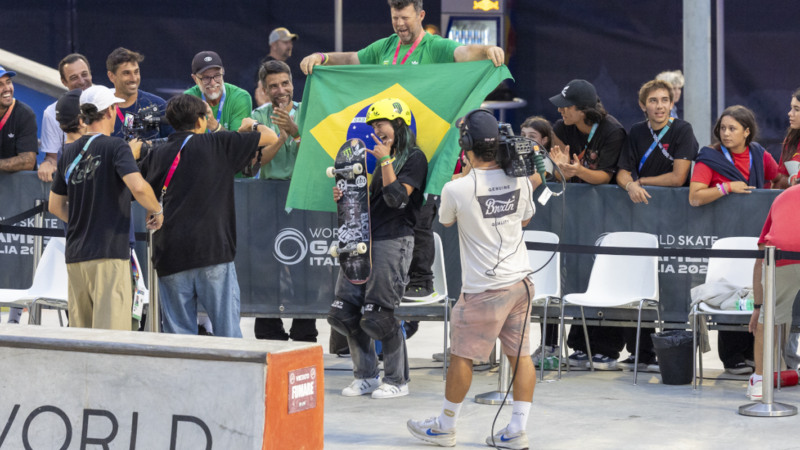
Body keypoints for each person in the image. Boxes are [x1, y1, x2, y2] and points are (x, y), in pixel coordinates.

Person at [407, 110, 535, 449]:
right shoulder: (520, 179)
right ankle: (517, 431)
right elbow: (524, 220)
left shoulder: (456, 188)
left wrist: (468, 175)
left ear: (466, 146)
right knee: (521, 357)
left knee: (461, 357)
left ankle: (445, 427)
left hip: (483, 290)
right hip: (520, 282)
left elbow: (446, 222)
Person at [138, 94, 278, 338]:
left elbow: (142, 193)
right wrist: (251, 125)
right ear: (201, 121)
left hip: (170, 253)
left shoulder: (156, 155)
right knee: (228, 334)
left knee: (179, 336)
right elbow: (271, 137)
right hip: (213, 250)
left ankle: (184, 378)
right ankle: (229, 377)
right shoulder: (218, 143)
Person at [327, 98, 427, 399]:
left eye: (380, 124)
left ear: (399, 124)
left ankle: (397, 380)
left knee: (379, 314)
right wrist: (344, 197)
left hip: (394, 241)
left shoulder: (414, 158)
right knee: (344, 311)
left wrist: (384, 162)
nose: (376, 130)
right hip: (365, 239)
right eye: (372, 126)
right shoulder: (383, 160)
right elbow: (374, 205)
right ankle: (366, 376)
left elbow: (397, 199)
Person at [48, 85, 162, 330]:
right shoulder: (117, 147)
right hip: (109, 254)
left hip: (76, 256)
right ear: (110, 111)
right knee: (112, 340)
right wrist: (158, 210)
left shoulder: (67, 153)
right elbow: (139, 188)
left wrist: (84, 218)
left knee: (82, 338)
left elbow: (55, 206)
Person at [611, 79, 700, 371]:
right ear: (642, 105)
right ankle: (641, 352)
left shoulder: (682, 130)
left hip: (676, 219)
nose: (659, 106)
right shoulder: (636, 131)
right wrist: (629, 187)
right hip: (641, 216)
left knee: (672, 280)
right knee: (638, 279)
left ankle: (675, 350)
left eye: (664, 100)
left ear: (672, 103)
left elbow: (677, 177)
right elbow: (623, 171)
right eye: (653, 101)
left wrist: (642, 182)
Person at [689, 105, 779, 375]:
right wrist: (726, 187)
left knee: (755, 292)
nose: (725, 134)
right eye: (722, 129)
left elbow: (778, 180)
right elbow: (695, 196)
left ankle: (754, 354)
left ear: (747, 132)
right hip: (724, 235)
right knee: (731, 290)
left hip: (756, 235)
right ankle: (731, 357)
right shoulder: (709, 158)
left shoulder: (760, 155)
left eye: (732, 129)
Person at [548, 79, 627, 370]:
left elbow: (605, 176)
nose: (561, 111)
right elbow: (560, 175)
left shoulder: (612, 131)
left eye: (566, 106)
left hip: (608, 211)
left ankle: (608, 346)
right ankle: (579, 343)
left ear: (583, 110)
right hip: (576, 211)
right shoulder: (561, 128)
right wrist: (562, 170)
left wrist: (578, 168)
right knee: (578, 273)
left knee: (606, 272)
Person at [250, 60, 317, 343]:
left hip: (303, 198)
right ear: (264, 90)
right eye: (273, 86)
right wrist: (282, 136)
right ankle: (268, 328)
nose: (281, 90)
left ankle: (304, 328)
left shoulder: (311, 111)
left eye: (285, 83)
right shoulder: (257, 116)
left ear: (292, 83)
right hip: (268, 198)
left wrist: (297, 131)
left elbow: (315, 160)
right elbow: (256, 163)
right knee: (266, 264)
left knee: (307, 265)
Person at [746, 186, 800, 400]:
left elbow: (761, 257)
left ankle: (759, 381)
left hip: (779, 258)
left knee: (769, 319)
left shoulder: (782, 196)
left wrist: (759, 308)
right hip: (780, 255)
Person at [0, 65, 38, 325]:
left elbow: (27, 161)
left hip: (18, 198)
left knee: (17, 253)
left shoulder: (24, 113)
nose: (7, 88)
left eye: (8, 82)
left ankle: (15, 317)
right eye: (0, 84)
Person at [38, 54, 93, 182]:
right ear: (64, 82)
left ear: (90, 74)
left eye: (84, 74)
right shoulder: (51, 112)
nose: (81, 81)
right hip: (74, 182)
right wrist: (47, 163)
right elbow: (52, 157)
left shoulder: (108, 101)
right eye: (74, 77)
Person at [106, 47, 174, 141]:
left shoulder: (158, 104)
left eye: (136, 72)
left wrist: (150, 146)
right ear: (111, 76)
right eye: (126, 73)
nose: (134, 78)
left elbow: (175, 142)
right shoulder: (104, 110)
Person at [254, 27, 299, 108]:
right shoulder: (267, 67)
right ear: (274, 45)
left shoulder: (282, 66)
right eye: (285, 42)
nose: (290, 45)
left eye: (290, 42)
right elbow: (261, 97)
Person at [775, 88, 800, 189]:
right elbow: (782, 179)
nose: (790, 113)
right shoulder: (791, 140)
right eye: (791, 108)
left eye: (797, 109)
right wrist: (792, 180)